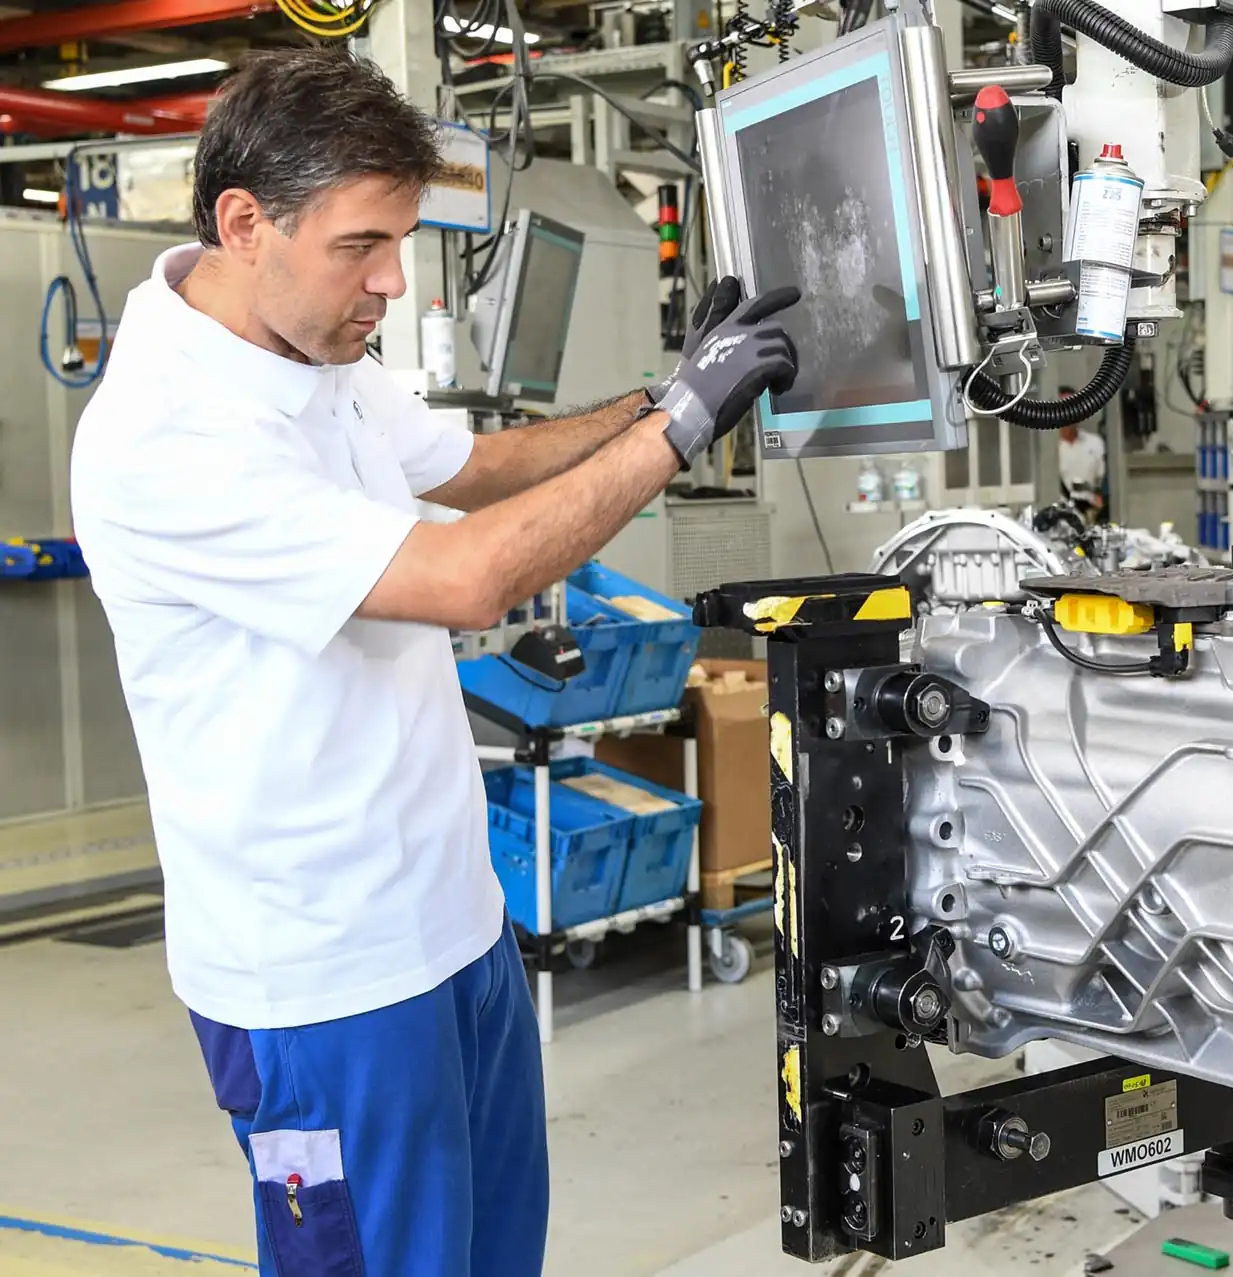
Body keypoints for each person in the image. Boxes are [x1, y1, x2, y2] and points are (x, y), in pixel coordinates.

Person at [68, 48, 797, 1277]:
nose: (392, 282)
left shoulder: (316, 354)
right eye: (364, 244)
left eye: (399, 240)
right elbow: (465, 573)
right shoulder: (165, 434)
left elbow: (470, 464)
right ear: (245, 224)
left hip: (456, 928)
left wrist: (659, 394)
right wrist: (683, 431)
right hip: (323, 980)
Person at [1057, 421, 1108, 516]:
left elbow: (1104, 476)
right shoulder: (1051, 448)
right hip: (1063, 510)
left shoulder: (1095, 442)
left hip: (1092, 509)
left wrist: (1100, 497)